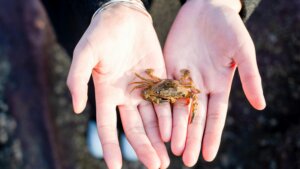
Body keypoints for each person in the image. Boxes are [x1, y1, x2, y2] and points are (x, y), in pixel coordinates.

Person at [66, 0, 266, 168]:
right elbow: (139, 84)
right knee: (107, 79)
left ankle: (128, 131)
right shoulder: (149, 83)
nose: (169, 100)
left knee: (121, 77)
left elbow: (191, 93)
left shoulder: (182, 88)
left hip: (175, 20)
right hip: (88, 15)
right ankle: (98, 116)